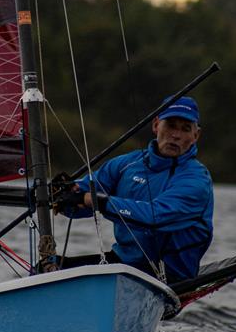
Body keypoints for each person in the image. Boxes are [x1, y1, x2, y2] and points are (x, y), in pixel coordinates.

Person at [55, 96, 214, 284]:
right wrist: (60, 194)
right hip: (124, 262)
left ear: (196, 136)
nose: (176, 135)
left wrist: (96, 200)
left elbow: (153, 218)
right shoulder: (125, 164)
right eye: (170, 125)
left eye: (185, 129)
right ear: (156, 125)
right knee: (48, 268)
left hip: (170, 276)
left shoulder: (196, 181)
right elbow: (81, 198)